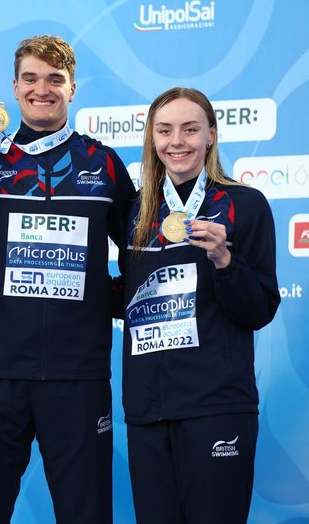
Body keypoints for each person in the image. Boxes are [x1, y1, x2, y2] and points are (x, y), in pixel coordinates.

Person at [0, 35, 135, 523]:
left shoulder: (103, 162)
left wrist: (99, 299)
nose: (41, 89)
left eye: (54, 80)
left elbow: (139, 260)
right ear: (15, 86)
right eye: (30, 79)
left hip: (78, 374)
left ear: (73, 89)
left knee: (86, 513)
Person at [122, 87, 279, 524]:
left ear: (211, 134)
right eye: (165, 130)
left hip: (216, 404)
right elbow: (133, 299)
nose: (178, 141)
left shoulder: (245, 205)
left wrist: (224, 261)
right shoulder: (136, 210)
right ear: (152, 139)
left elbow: (259, 309)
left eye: (190, 129)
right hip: (147, 409)